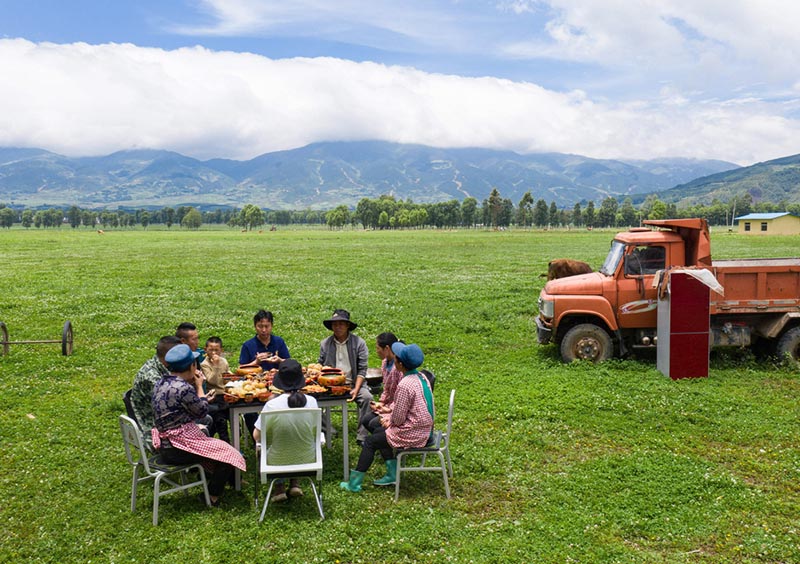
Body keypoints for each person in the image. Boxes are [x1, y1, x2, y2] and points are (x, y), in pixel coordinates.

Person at [151, 344, 246, 507]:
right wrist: (200, 388)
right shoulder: (184, 388)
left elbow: (180, 409)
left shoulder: (161, 383)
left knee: (207, 434)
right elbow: (202, 412)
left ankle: (220, 479)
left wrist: (200, 398)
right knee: (228, 453)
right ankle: (212, 496)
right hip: (177, 449)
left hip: (164, 444)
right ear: (192, 366)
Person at [341, 343, 434, 492]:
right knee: (378, 431)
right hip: (423, 428)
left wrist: (388, 419)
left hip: (414, 433)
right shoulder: (420, 376)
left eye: (396, 358)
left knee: (371, 442)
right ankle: (392, 473)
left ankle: (354, 483)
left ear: (400, 364)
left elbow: (397, 419)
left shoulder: (405, 385)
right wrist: (388, 416)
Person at [252, 359, 318, 502]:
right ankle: (295, 483)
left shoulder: (272, 405)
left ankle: (279, 488)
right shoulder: (312, 402)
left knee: (274, 442)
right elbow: (314, 430)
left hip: (276, 461)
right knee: (294, 439)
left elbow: (256, 436)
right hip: (308, 458)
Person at [318, 309, 372, 444]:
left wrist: (356, 388)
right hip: (331, 385)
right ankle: (329, 429)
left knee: (367, 398)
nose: (338, 327)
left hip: (354, 383)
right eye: (335, 324)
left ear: (348, 325)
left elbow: (362, 370)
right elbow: (320, 364)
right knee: (313, 402)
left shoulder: (359, 343)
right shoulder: (325, 344)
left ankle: (362, 436)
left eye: (341, 324)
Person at [130, 335, 182, 452]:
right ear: (170, 356)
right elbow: (173, 407)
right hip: (156, 431)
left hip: (163, 421)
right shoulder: (152, 378)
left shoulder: (162, 366)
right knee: (202, 420)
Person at [361, 332, 403, 434]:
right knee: (366, 420)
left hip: (398, 407)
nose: (377, 351)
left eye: (378, 348)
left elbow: (401, 397)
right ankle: (384, 446)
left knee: (374, 424)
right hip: (388, 405)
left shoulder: (399, 367)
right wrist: (381, 402)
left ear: (387, 348)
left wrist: (388, 409)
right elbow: (386, 388)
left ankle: (387, 445)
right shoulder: (385, 363)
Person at [200, 336, 230, 443]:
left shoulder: (224, 361)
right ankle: (225, 440)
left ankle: (236, 430)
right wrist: (216, 366)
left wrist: (230, 377)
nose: (214, 352)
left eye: (216, 350)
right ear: (205, 350)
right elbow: (211, 380)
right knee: (220, 418)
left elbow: (226, 376)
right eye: (211, 349)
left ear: (221, 351)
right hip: (215, 395)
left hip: (225, 393)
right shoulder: (205, 364)